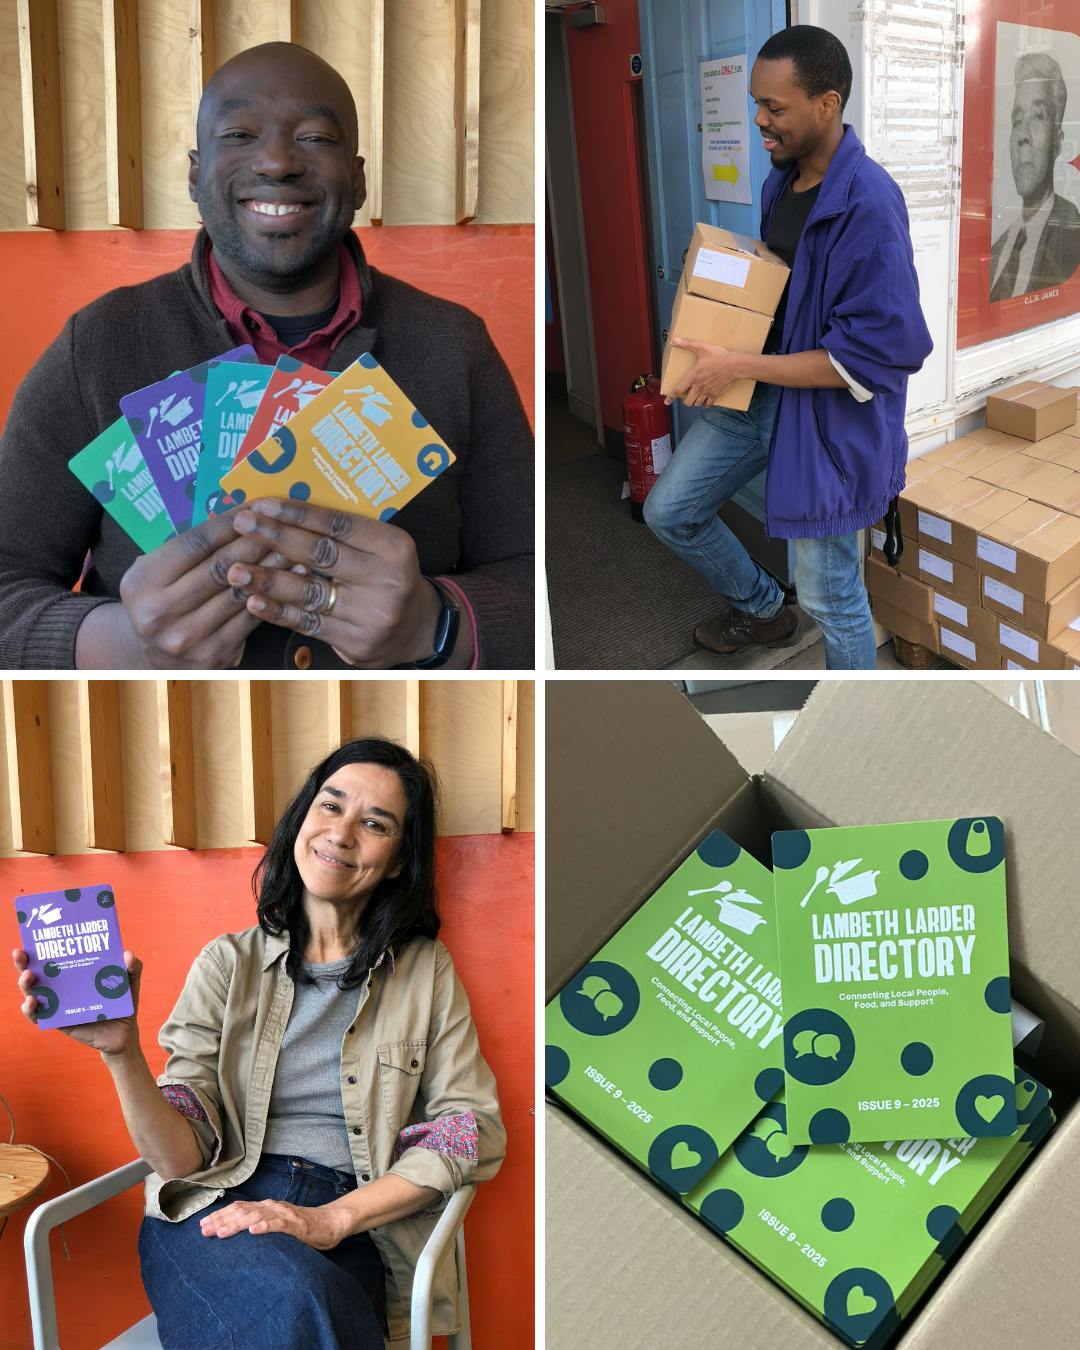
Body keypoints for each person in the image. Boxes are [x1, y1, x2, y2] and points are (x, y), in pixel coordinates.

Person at [0, 42, 533, 670]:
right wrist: (122, 643)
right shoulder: (96, 346)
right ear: (195, 175)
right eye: (239, 134)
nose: (278, 162)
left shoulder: (455, 345)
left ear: (358, 180)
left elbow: (532, 577)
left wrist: (435, 625)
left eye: (314, 138)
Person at [13, 738, 505, 1349]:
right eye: (330, 806)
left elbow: (470, 1128)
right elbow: (180, 1162)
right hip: (214, 1205)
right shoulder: (226, 964)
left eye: (375, 824)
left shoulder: (426, 972)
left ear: (400, 861)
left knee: (309, 1300)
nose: (341, 833)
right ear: (302, 819)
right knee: (298, 1298)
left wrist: (331, 1219)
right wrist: (122, 1052)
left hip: (353, 1220)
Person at [643, 25, 932, 670]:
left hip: (825, 422)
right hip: (755, 392)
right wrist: (717, 304)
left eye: (774, 107)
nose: (758, 121)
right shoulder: (782, 182)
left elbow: (874, 356)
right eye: (756, 104)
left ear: (827, 104)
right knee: (671, 510)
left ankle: (849, 720)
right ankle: (765, 608)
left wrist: (735, 365)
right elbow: (785, 288)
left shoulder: (869, 206)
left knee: (834, 602)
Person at [989, 51, 1080, 302]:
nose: (1023, 136)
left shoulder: (1073, 236)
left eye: (1038, 116)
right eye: (1017, 121)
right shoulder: (997, 249)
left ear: (1057, 141)